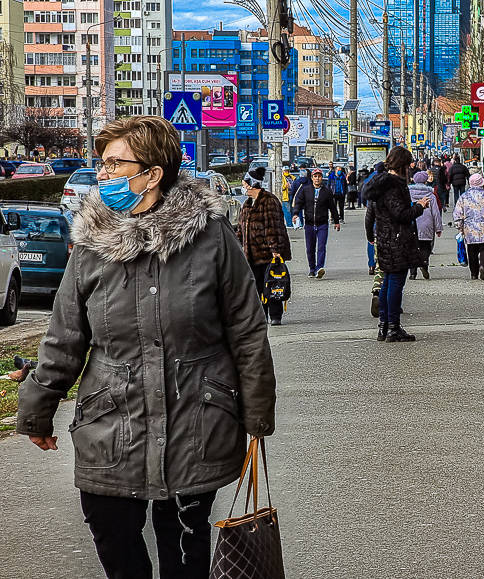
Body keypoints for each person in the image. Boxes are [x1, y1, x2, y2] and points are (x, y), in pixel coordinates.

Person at [15, 116, 276, 577]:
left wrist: (256, 415)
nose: (104, 174)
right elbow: (65, 336)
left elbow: (247, 330)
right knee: (115, 546)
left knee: (185, 561)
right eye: (103, 163)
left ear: (152, 173)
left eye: (116, 164)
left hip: (197, 424)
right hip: (110, 426)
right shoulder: (92, 245)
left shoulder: (210, 237)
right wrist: (37, 409)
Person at [364, 147, 432, 342]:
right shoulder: (393, 185)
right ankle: (393, 327)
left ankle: (384, 326)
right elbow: (400, 214)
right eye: (408, 164)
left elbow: (375, 213)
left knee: (387, 282)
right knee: (395, 284)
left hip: (385, 238)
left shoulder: (380, 183)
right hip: (397, 240)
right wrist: (420, 206)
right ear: (402, 165)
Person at [237, 166, 292, 325]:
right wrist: (236, 245)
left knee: (272, 284)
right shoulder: (247, 204)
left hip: (268, 254)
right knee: (256, 287)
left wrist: (276, 250)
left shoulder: (269, 201)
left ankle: (275, 315)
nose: (243, 187)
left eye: (244, 183)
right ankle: (261, 315)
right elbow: (241, 229)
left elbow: (273, 227)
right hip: (251, 254)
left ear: (252, 184)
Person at [292, 168, 341, 279]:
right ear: (312, 178)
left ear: (321, 178)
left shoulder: (327, 191)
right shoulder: (306, 190)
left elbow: (332, 207)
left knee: (321, 246)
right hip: (309, 223)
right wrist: (295, 214)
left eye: (319, 176)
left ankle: (319, 268)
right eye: (315, 176)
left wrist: (336, 221)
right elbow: (298, 203)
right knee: (310, 248)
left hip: (322, 224)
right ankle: (312, 269)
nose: (317, 178)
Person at [453, 172, 484, 280]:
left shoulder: (464, 196)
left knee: (472, 250)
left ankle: (474, 273)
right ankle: (483, 267)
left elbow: (458, 213)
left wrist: (459, 226)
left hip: (470, 228)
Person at [408, 170, 442, 280]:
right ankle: (424, 263)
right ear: (425, 180)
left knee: (412, 247)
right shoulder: (431, 195)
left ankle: (413, 273)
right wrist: (438, 228)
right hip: (427, 223)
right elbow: (436, 212)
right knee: (426, 246)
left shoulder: (408, 193)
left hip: (412, 222)